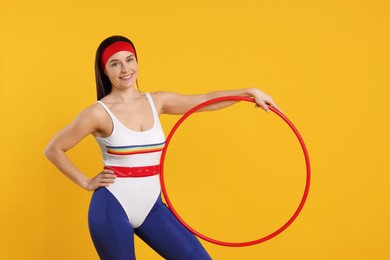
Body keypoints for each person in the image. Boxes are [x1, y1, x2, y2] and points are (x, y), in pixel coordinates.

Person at [44, 35, 281, 260]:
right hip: (112, 207)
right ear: (105, 71)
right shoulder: (98, 113)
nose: (125, 69)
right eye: (115, 64)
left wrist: (249, 92)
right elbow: (53, 149)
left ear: (137, 61)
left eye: (129, 60)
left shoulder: (157, 101)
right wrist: (86, 182)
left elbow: (206, 101)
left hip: (152, 206)